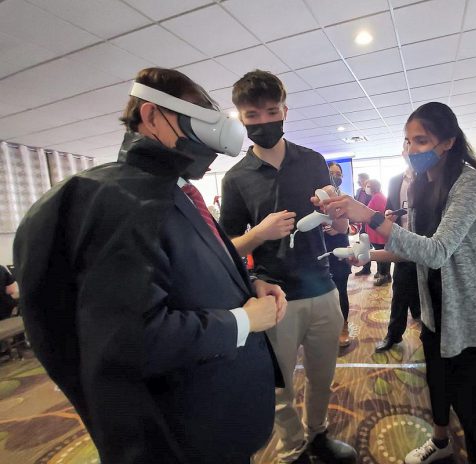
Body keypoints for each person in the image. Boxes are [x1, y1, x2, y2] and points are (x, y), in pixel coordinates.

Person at [13, 67, 287, 464]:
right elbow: (131, 338)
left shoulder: (171, 193)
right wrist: (244, 321)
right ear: (152, 116)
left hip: (214, 408)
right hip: (179, 432)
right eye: (198, 121)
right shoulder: (119, 200)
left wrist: (248, 285)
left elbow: (185, 271)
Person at [318, 102, 476, 464]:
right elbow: (412, 249)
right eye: (407, 140)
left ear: (447, 142)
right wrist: (370, 257)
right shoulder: (420, 186)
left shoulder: (469, 184)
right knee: (437, 382)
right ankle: (441, 441)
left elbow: (436, 252)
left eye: (421, 141)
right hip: (433, 306)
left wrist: (366, 215)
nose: (410, 149)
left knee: (466, 401)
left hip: (467, 310)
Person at [220, 70, 357, 464]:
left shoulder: (313, 161)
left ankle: (317, 435)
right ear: (240, 117)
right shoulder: (236, 179)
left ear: (284, 110)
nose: (263, 121)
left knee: (322, 379)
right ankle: (292, 447)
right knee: (279, 387)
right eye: (252, 115)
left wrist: (338, 219)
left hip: (323, 288)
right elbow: (228, 247)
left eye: (271, 111)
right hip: (274, 297)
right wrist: (259, 233)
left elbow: (336, 225)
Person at [375, 167, 421, 353]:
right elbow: (390, 207)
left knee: (430, 293)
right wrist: (389, 216)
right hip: (402, 246)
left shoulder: (432, 176)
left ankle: (429, 331)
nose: (411, 149)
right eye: (407, 143)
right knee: (400, 292)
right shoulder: (395, 180)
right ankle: (393, 335)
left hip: (429, 244)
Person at [325, 162, 352, 348]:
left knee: (340, 288)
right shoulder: (316, 197)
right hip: (320, 248)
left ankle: (343, 326)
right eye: (332, 172)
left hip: (340, 247)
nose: (336, 175)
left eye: (338, 173)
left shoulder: (344, 197)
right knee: (324, 292)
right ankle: (327, 328)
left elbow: (349, 223)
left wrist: (343, 228)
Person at [365, 179, 390, 286]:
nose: (366, 188)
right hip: (375, 233)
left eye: (368, 186)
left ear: (374, 186)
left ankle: (384, 275)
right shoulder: (376, 196)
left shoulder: (378, 197)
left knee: (382, 255)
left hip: (379, 233)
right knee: (379, 253)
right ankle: (382, 273)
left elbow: (378, 216)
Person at [353, 173, 372, 276]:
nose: (358, 182)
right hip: (362, 222)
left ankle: (383, 272)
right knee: (364, 245)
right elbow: (356, 203)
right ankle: (366, 268)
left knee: (378, 246)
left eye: (360, 180)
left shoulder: (372, 189)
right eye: (358, 180)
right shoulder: (358, 191)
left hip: (372, 222)